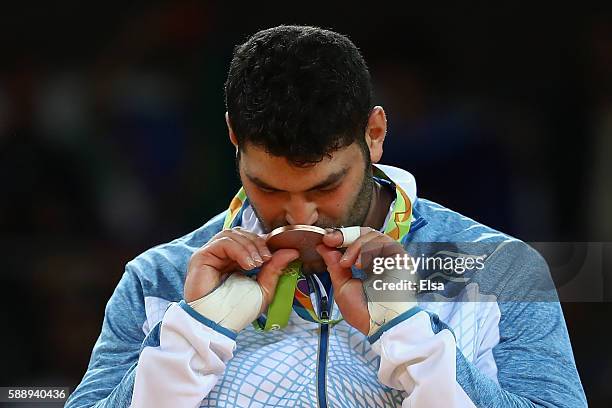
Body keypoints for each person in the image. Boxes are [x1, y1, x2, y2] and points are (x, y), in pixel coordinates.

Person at [66, 25, 587, 407]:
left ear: (375, 134)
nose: (299, 215)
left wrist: (410, 335)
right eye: (268, 187)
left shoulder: (496, 268)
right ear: (232, 137)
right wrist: (192, 336)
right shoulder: (159, 278)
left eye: (327, 185)